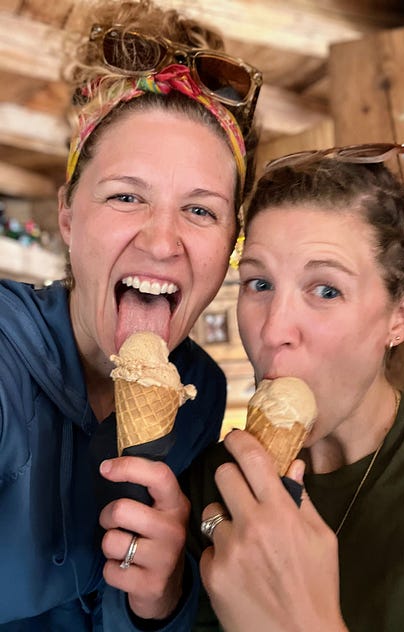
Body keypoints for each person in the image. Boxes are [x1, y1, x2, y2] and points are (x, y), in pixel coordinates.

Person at [0, 0, 261, 629]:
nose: (163, 241)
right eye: (125, 195)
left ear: (230, 244)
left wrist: (160, 600)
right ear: (67, 214)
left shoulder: (201, 396)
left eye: (200, 210)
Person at [183, 144, 404, 632]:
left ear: (401, 317)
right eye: (258, 284)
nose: (274, 329)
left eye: (326, 290)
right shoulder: (207, 486)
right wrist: (157, 607)